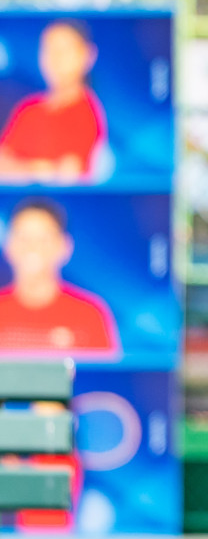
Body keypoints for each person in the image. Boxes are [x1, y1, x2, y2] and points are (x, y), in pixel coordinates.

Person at [0, 198, 118, 352]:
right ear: (9, 246)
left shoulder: (89, 314)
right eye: (24, 238)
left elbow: (104, 375)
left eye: (44, 239)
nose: (33, 247)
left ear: (64, 246)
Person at [0, 20, 108, 182]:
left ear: (87, 55)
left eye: (64, 50)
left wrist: (24, 169)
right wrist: (37, 169)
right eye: (48, 50)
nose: (55, 59)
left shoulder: (88, 113)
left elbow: (67, 175)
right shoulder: (28, 109)